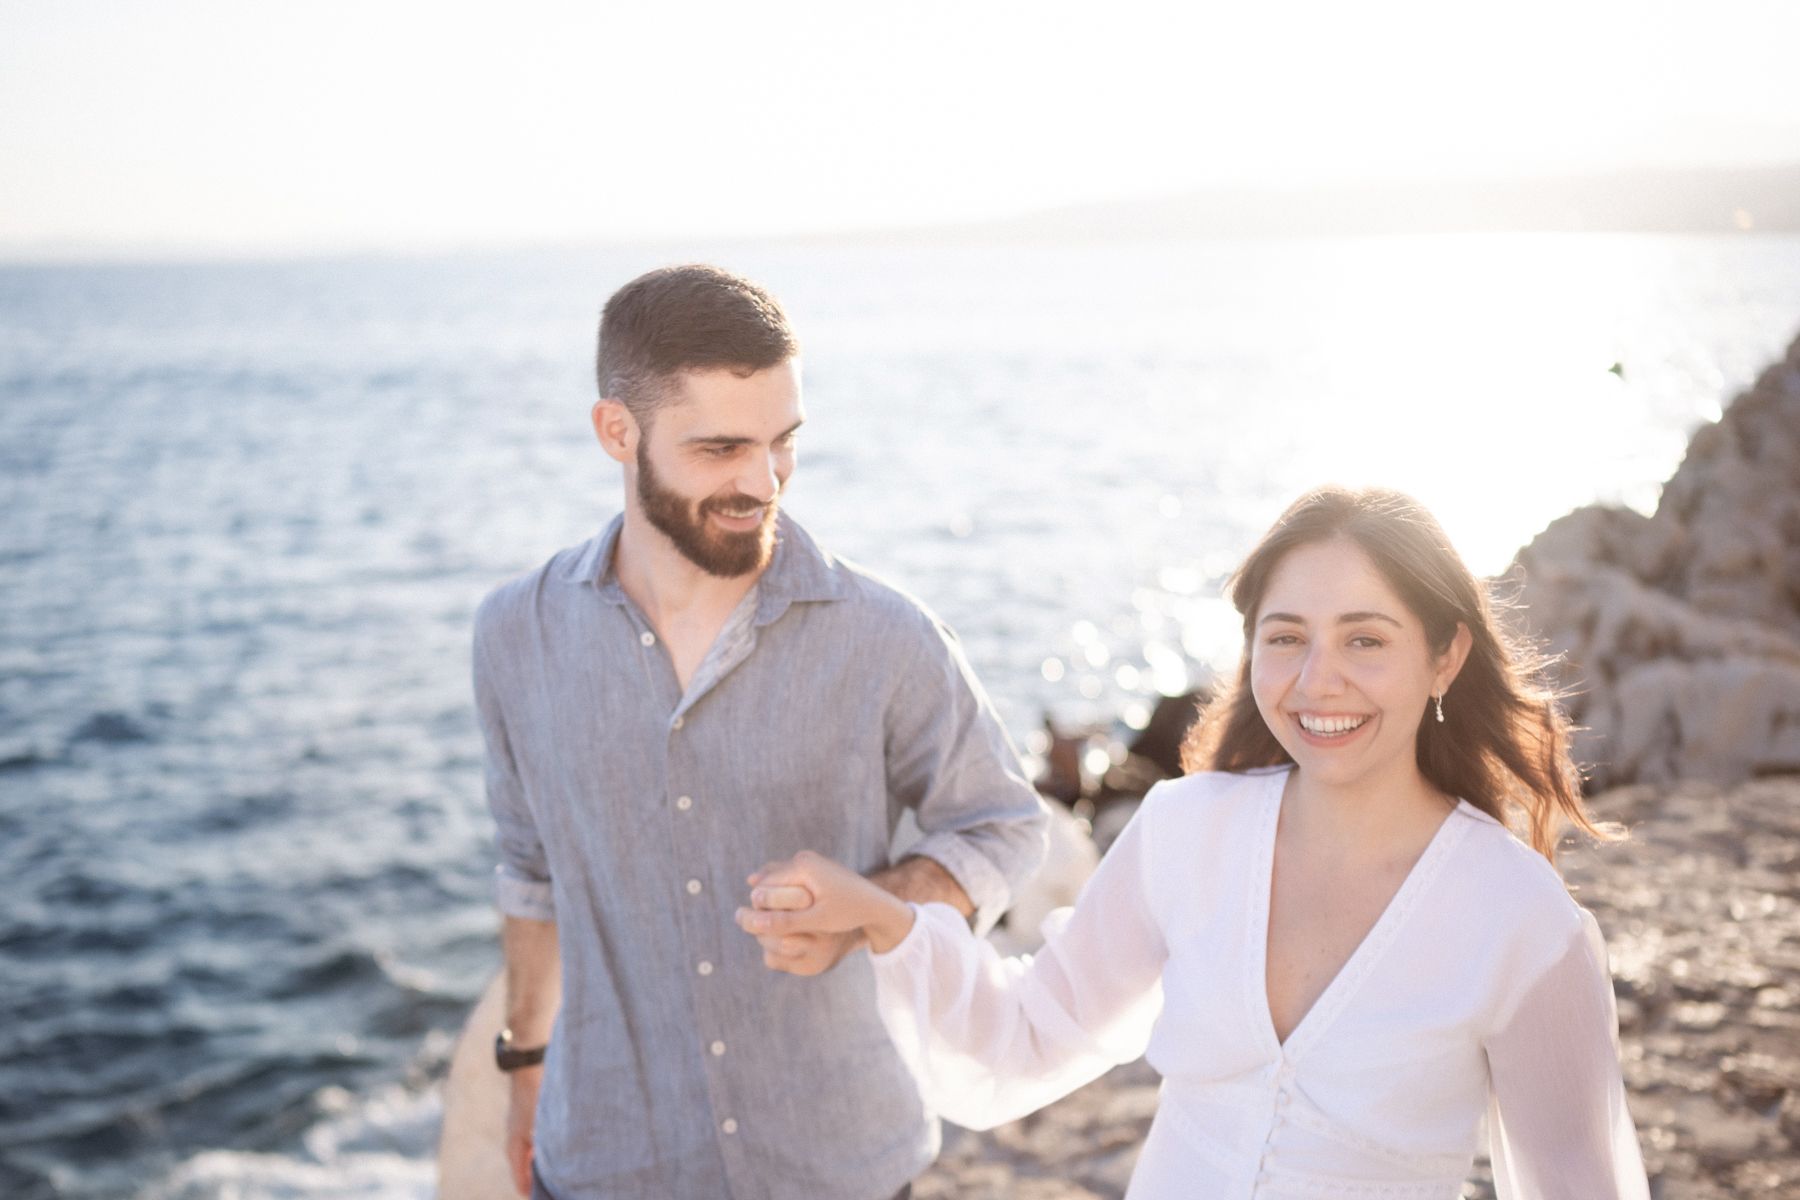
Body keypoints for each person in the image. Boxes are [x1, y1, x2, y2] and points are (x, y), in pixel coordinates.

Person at [740, 486, 1652, 1199]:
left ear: (1444, 657)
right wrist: (887, 921)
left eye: (1366, 640)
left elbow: (1579, 1188)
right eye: (1284, 638)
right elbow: (1026, 1037)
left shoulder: (1524, 924)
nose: (1316, 682)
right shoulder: (1187, 830)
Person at [472, 264, 1048, 1200]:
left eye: (784, 443)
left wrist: (874, 907)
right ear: (617, 432)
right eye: (720, 448)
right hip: (608, 1161)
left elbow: (1004, 827)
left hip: (840, 1162)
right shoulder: (515, 633)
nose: (762, 481)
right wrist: (522, 1070)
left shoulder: (883, 633)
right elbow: (529, 873)